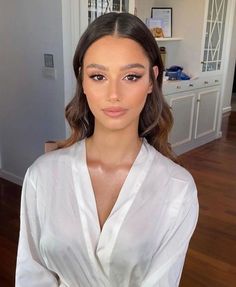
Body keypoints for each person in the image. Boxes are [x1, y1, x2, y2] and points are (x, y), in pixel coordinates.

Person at [15, 12, 199, 287]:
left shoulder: (177, 189)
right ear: (83, 81)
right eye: (99, 76)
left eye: (131, 76)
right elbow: (32, 273)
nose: (114, 94)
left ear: (152, 80)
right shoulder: (42, 177)